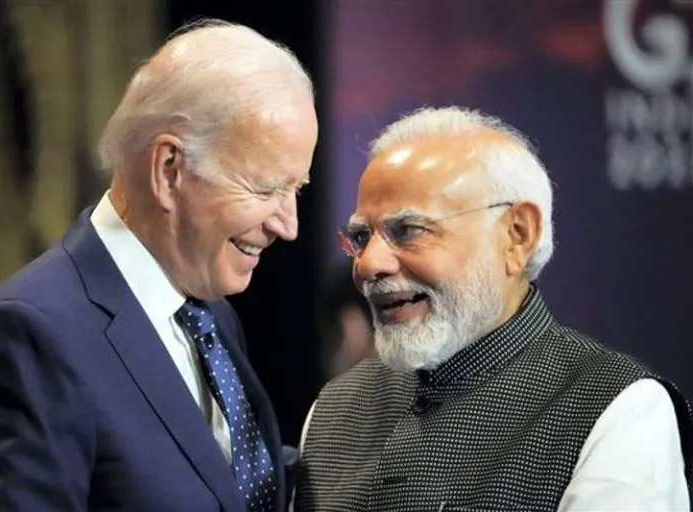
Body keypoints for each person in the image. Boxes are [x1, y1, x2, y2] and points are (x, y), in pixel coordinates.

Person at [0, 19, 318, 512]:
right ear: (169, 171)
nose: (288, 225)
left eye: (296, 189)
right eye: (266, 188)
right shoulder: (26, 339)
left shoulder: (209, 317)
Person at [293, 106, 692, 511]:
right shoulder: (334, 411)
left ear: (517, 236)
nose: (368, 264)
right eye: (361, 237)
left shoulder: (616, 409)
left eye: (409, 230)